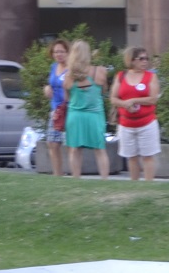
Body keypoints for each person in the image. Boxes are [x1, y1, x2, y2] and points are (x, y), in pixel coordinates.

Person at [111, 46, 161, 181]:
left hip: (147, 123)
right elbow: (113, 98)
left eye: (147, 59)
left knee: (148, 156)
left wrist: (134, 100)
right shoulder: (121, 76)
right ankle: (134, 184)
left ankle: (148, 185)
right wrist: (124, 104)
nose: (145, 61)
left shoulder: (151, 76)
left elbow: (153, 99)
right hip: (126, 124)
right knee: (131, 157)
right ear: (132, 60)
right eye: (141, 59)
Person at [63, 39, 110, 179]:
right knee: (100, 149)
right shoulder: (100, 71)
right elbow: (104, 91)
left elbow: (67, 97)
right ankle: (105, 179)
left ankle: (76, 178)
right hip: (95, 115)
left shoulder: (68, 76)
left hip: (75, 115)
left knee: (75, 149)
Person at [43, 38, 70, 176]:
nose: (58, 54)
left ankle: (75, 173)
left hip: (69, 109)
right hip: (56, 109)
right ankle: (57, 175)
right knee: (52, 143)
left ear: (68, 52)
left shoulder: (71, 68)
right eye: (56, 52)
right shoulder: (54, 67)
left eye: (61, 51)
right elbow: (51, 83)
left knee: (70, 144)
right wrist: (47, 88)